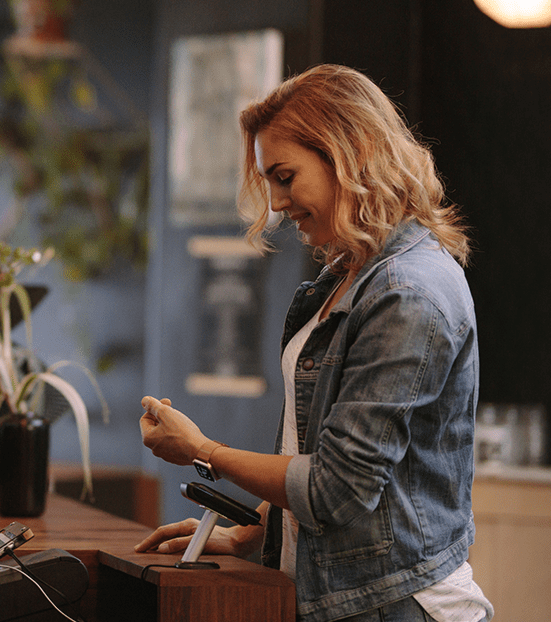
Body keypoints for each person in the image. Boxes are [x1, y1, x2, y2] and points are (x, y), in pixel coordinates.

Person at [137, 64, 492, 622]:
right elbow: (326, 452)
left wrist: (203, 452)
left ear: (348, 156)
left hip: (393, 605)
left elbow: (337, 489)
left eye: (285, 176)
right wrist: (256, 532)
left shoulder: (407, 292)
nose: (276, 203)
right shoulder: (350, 277)